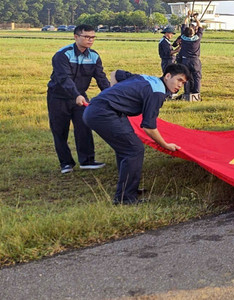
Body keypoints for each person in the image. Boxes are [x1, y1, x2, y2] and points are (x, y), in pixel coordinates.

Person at [82, 64, 190, 205]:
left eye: (183, 83)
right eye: (179, 80)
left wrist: (114, 94)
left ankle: (128, 189)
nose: (180, 85)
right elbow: (149, 127)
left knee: (125, 149)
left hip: (100, 110)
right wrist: (166, 145)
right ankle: (125, 199)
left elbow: (115, 73)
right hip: (104, 113)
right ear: (167, 76)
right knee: (134, 149)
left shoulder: (147, 78)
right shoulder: (157, 93)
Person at [47, 24, 110, 174]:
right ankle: (66, 163)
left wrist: (111, 97)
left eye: (93, 37)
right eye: (86, 37)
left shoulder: (94, 56)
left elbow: (101, 79)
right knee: (59, 130)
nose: (90, 40)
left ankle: (87, 161)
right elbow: (64, 79)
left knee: (84, 126)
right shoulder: (62, 55)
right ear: (76, 37)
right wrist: (76, 95)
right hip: (58, 96)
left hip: (80, 95)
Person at [176, 12, 203, 100]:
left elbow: (183, 24)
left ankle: (187, 92)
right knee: (197, 77)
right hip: (195, 60)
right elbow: (200, 27)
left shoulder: (183, 38)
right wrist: (195, 18)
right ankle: (196, 92)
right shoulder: (197, 38)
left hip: (185, 60)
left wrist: (187, 16)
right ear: (194, 33)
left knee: (186, 76)